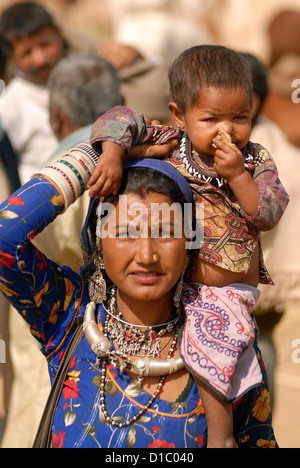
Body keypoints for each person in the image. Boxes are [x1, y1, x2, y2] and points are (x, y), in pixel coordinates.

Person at [0, 141, 277, 447]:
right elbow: (4, 239)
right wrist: (101, 155)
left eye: (166, 232)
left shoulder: (225, 340)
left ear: (189, 244)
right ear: (99, 243)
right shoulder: (67, 315)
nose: (146, 255)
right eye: (125, 233)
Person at [85, 45, 289, 448]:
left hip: (226, 294)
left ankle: (221, 436)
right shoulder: (172, 143)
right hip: (176, 289)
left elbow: (268, 213)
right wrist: (112, 152)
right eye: (211, 119)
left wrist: (237, 177)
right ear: (180, 114)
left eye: (240, 117)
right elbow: (118, 117)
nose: (226, 131)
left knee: (209, 340)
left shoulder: (254, 160)